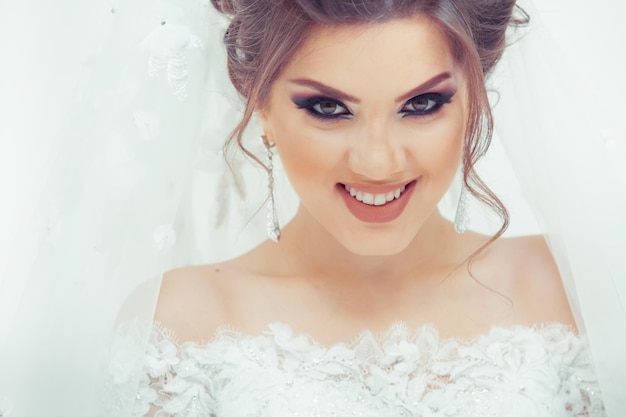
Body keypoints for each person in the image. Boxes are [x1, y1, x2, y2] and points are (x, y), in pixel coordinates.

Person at [0, 0, 623, 416]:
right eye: (327, 108)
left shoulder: (566, 290)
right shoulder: (181, 325)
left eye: (422, 104)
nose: (378, 163)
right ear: (261, 106)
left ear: (474, 98)